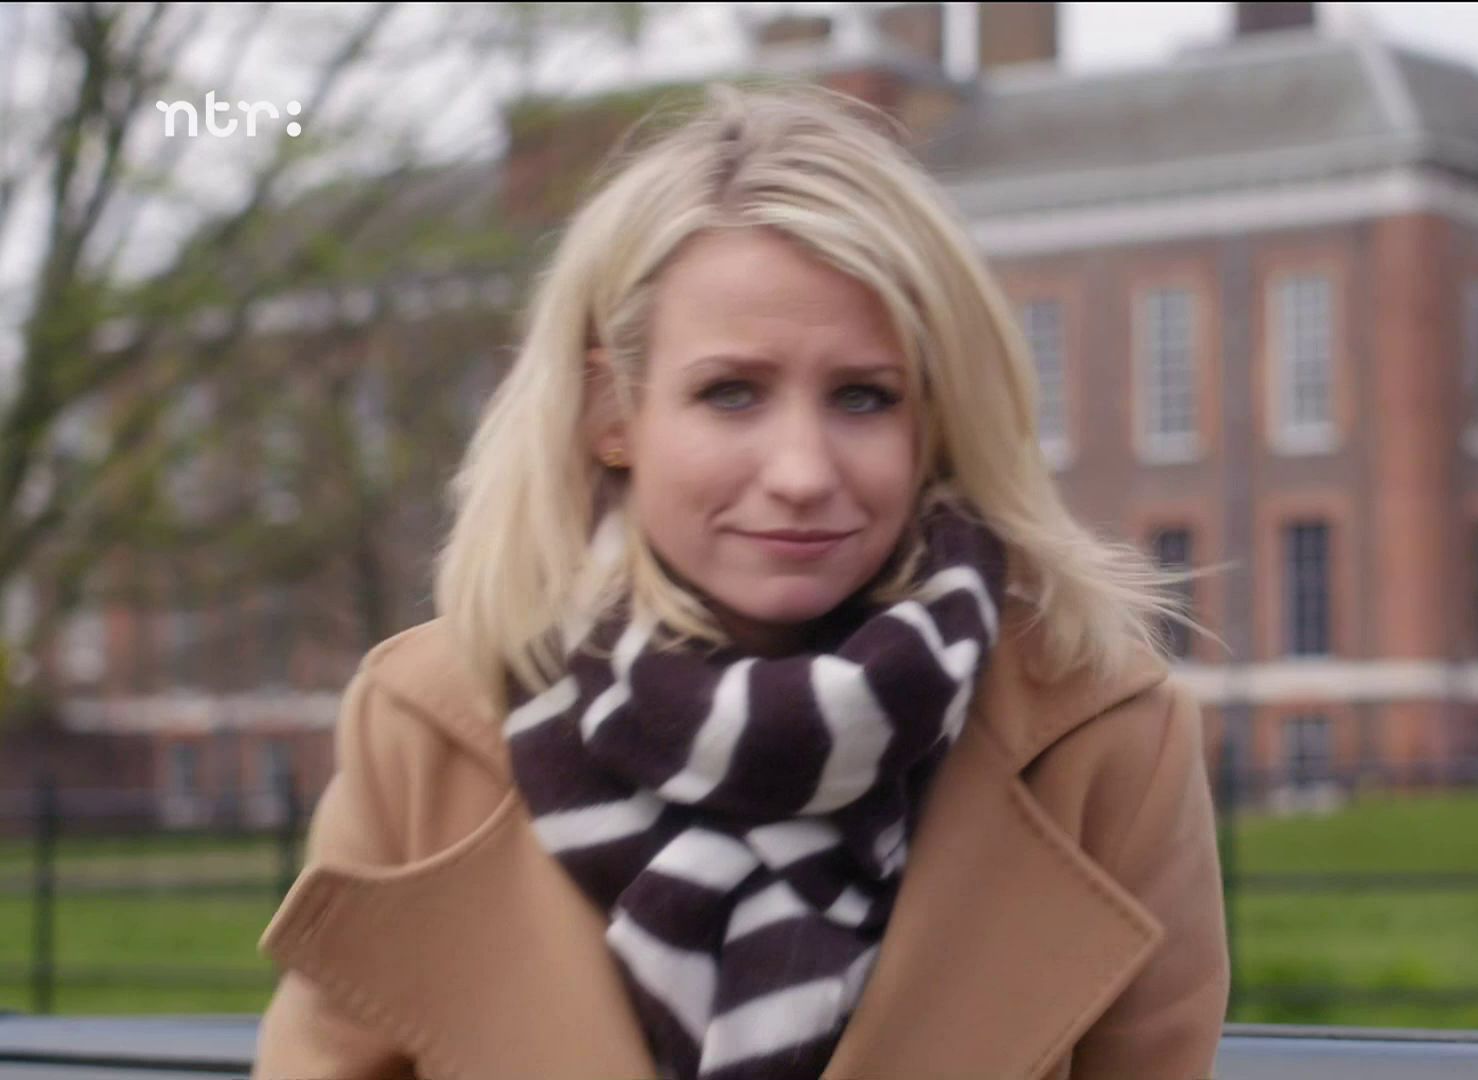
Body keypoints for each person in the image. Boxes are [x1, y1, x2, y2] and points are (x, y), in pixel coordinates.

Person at [252, 81, 1229, 1080]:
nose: (801, 472)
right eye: (732, 394)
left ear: (936, 419)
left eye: (864, 397)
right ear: (613, 411)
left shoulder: (1103, 741)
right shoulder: (425, 728)